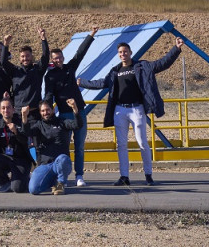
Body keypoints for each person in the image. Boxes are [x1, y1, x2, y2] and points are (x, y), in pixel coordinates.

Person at [78, 36, 183, 186]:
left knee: (142, 143)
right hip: (120, 110)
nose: (123, 54)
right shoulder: (115, 71)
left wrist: (176, 49)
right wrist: (83, 83)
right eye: (120, 52)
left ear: (130, 52)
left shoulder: (142, 66)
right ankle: (124, 176)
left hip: (137, 109)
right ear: (118, 55)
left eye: (125, 51)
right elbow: (101, 83)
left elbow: (162, 64)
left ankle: (148, 175)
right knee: (121, 144)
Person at [44, 27, 97, 186]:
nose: (58, 60)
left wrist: (91, 35)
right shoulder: (50, 76)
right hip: (64, 116)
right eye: (55, 58)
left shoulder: (70, 68)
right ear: (52, 60)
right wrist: (47, 108)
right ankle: (63, 177)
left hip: (79, 112)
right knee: (64, 148)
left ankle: (79, 175)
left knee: (79, 146)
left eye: (60, 57)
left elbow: (80, 53)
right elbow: (48, 94)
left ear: (63, 57)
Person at [24, 99, 80, 195]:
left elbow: (77, 125)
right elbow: (27, 132)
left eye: (48, 110)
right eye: (43, 111)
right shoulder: (38, 125)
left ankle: (60, 183)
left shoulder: (62, 122)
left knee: (63, 158)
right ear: (40, 112)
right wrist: (24, 116)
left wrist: (75, 108)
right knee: (33, 189)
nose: (46, 113)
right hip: (45, 164)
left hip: (60, 162)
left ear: (53, 110)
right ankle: (52, 181)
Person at [0, 98, 33, 193]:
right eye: (3, 108)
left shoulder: (21, 122)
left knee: (18, 189)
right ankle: (5, 182)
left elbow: (25, 140)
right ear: (0, 111)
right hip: (6, 158)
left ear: (13, 109)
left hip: (21, 160)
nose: (6, 110)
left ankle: (25, 178)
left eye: (8, 108)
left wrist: (16, 132)